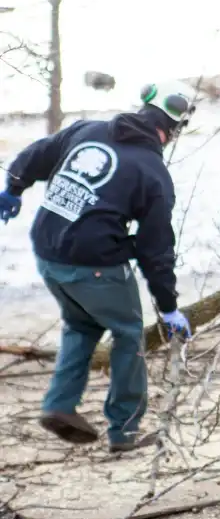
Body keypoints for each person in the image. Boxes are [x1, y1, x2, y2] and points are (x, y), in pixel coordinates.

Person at [0, 84, 196, 452]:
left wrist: (13, 187)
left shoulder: (87, 130)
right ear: (172, 130)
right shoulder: (153, 173)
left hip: (47, 252)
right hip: (94, 268)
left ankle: (59, 405)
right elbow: (157, 251)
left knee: (82, 323)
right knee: (127, 334)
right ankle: (124, 432)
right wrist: (169, 307)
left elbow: (36, 154)